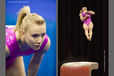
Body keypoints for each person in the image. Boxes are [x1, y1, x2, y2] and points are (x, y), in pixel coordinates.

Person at [6, 6, 51, 76]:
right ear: (23, 33)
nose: (39, 41)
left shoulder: (45, 43)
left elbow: (35, 63)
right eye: (35, 36)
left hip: (12, 56)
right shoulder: (7, 46)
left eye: (43, 35)